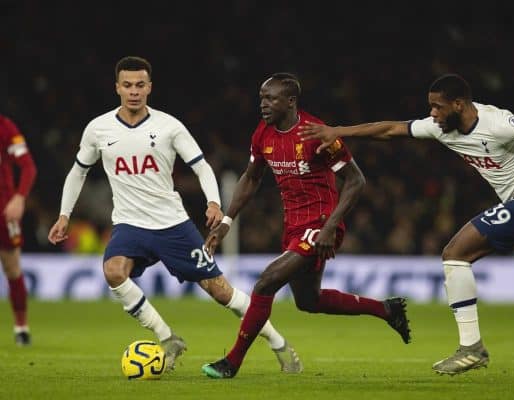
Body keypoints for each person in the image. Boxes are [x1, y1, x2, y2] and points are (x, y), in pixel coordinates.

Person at [298, 73, 514, 375]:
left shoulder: (498, 124)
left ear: (459, 104)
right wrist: (337, 131)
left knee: (455, 254)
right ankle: (472, 348)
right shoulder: (441, 127)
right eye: (431, 107)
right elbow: (390, 129)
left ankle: (472, 348)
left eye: (438, 107)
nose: (432, 113)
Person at [47, 56, 302, 373]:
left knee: (220, 291)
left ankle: (278, 343)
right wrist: (64, 215)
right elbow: (77, 172)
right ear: (117, 88)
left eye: (140, 85)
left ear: (149, 87)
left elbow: (201, 166)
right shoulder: (98, 129)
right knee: (113, 271)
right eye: (127, 85)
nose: (134, 91)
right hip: (129, 224)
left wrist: (212, 202)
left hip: (173, 225)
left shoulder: (169, 126)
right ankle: (167, 338)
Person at [201, 73, 411, 379]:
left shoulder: (316, 133)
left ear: (290, 101)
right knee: (308, 302)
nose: (263, 104)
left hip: (322, 224)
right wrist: (227, 221)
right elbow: (251, 177)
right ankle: (386, 310)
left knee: (266, 282)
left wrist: (330, 227)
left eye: (270, 98)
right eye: (261, 98)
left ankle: (231, 363)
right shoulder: (263, 133)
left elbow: (356, 180)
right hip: (294, 227)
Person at [0, 114, 37, 346]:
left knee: (12, 267)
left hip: (3, 209)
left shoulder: (5, 127)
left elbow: (28, 166)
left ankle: (21, 328)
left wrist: (19, 198)